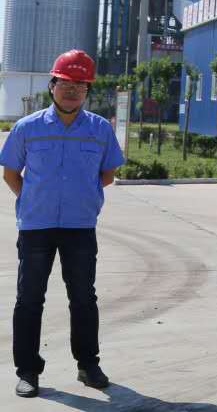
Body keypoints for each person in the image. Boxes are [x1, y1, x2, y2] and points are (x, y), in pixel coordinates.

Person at [0, 50, 124, 398]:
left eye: (80, 86)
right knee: (29, 299)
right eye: (66, 84)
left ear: (88, 91)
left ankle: (88, 365)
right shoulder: (28, 128)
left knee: (83, 297)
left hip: (79, 227)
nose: (72, 91)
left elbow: (108, 174)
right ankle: (27, 370)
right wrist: (33, 199)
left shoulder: (99, 129)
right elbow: (11, 173)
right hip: (36, 227)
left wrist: (79, 196)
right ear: (52, 85)